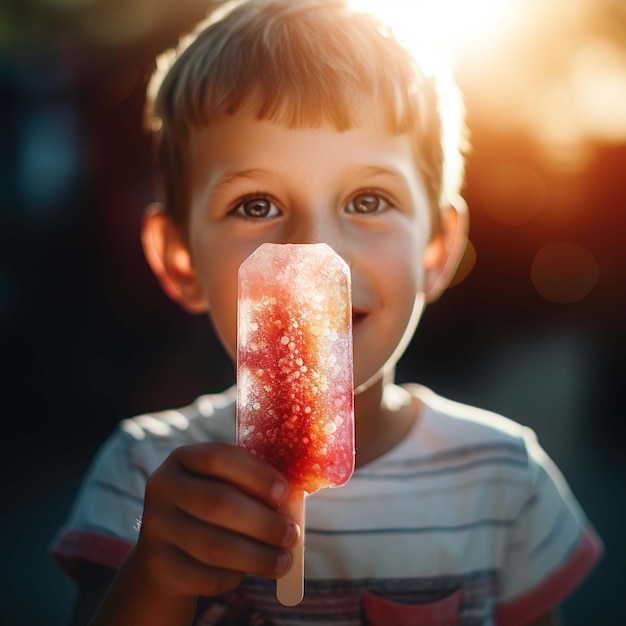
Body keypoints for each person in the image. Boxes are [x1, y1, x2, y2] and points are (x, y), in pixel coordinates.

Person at [52, 1, 603, 624]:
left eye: (369, 199)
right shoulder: (141, 475)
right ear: (179, 257)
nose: (317, 253)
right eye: (256, 204)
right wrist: (155, 575)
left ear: (437, 247)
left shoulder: (504, 479)